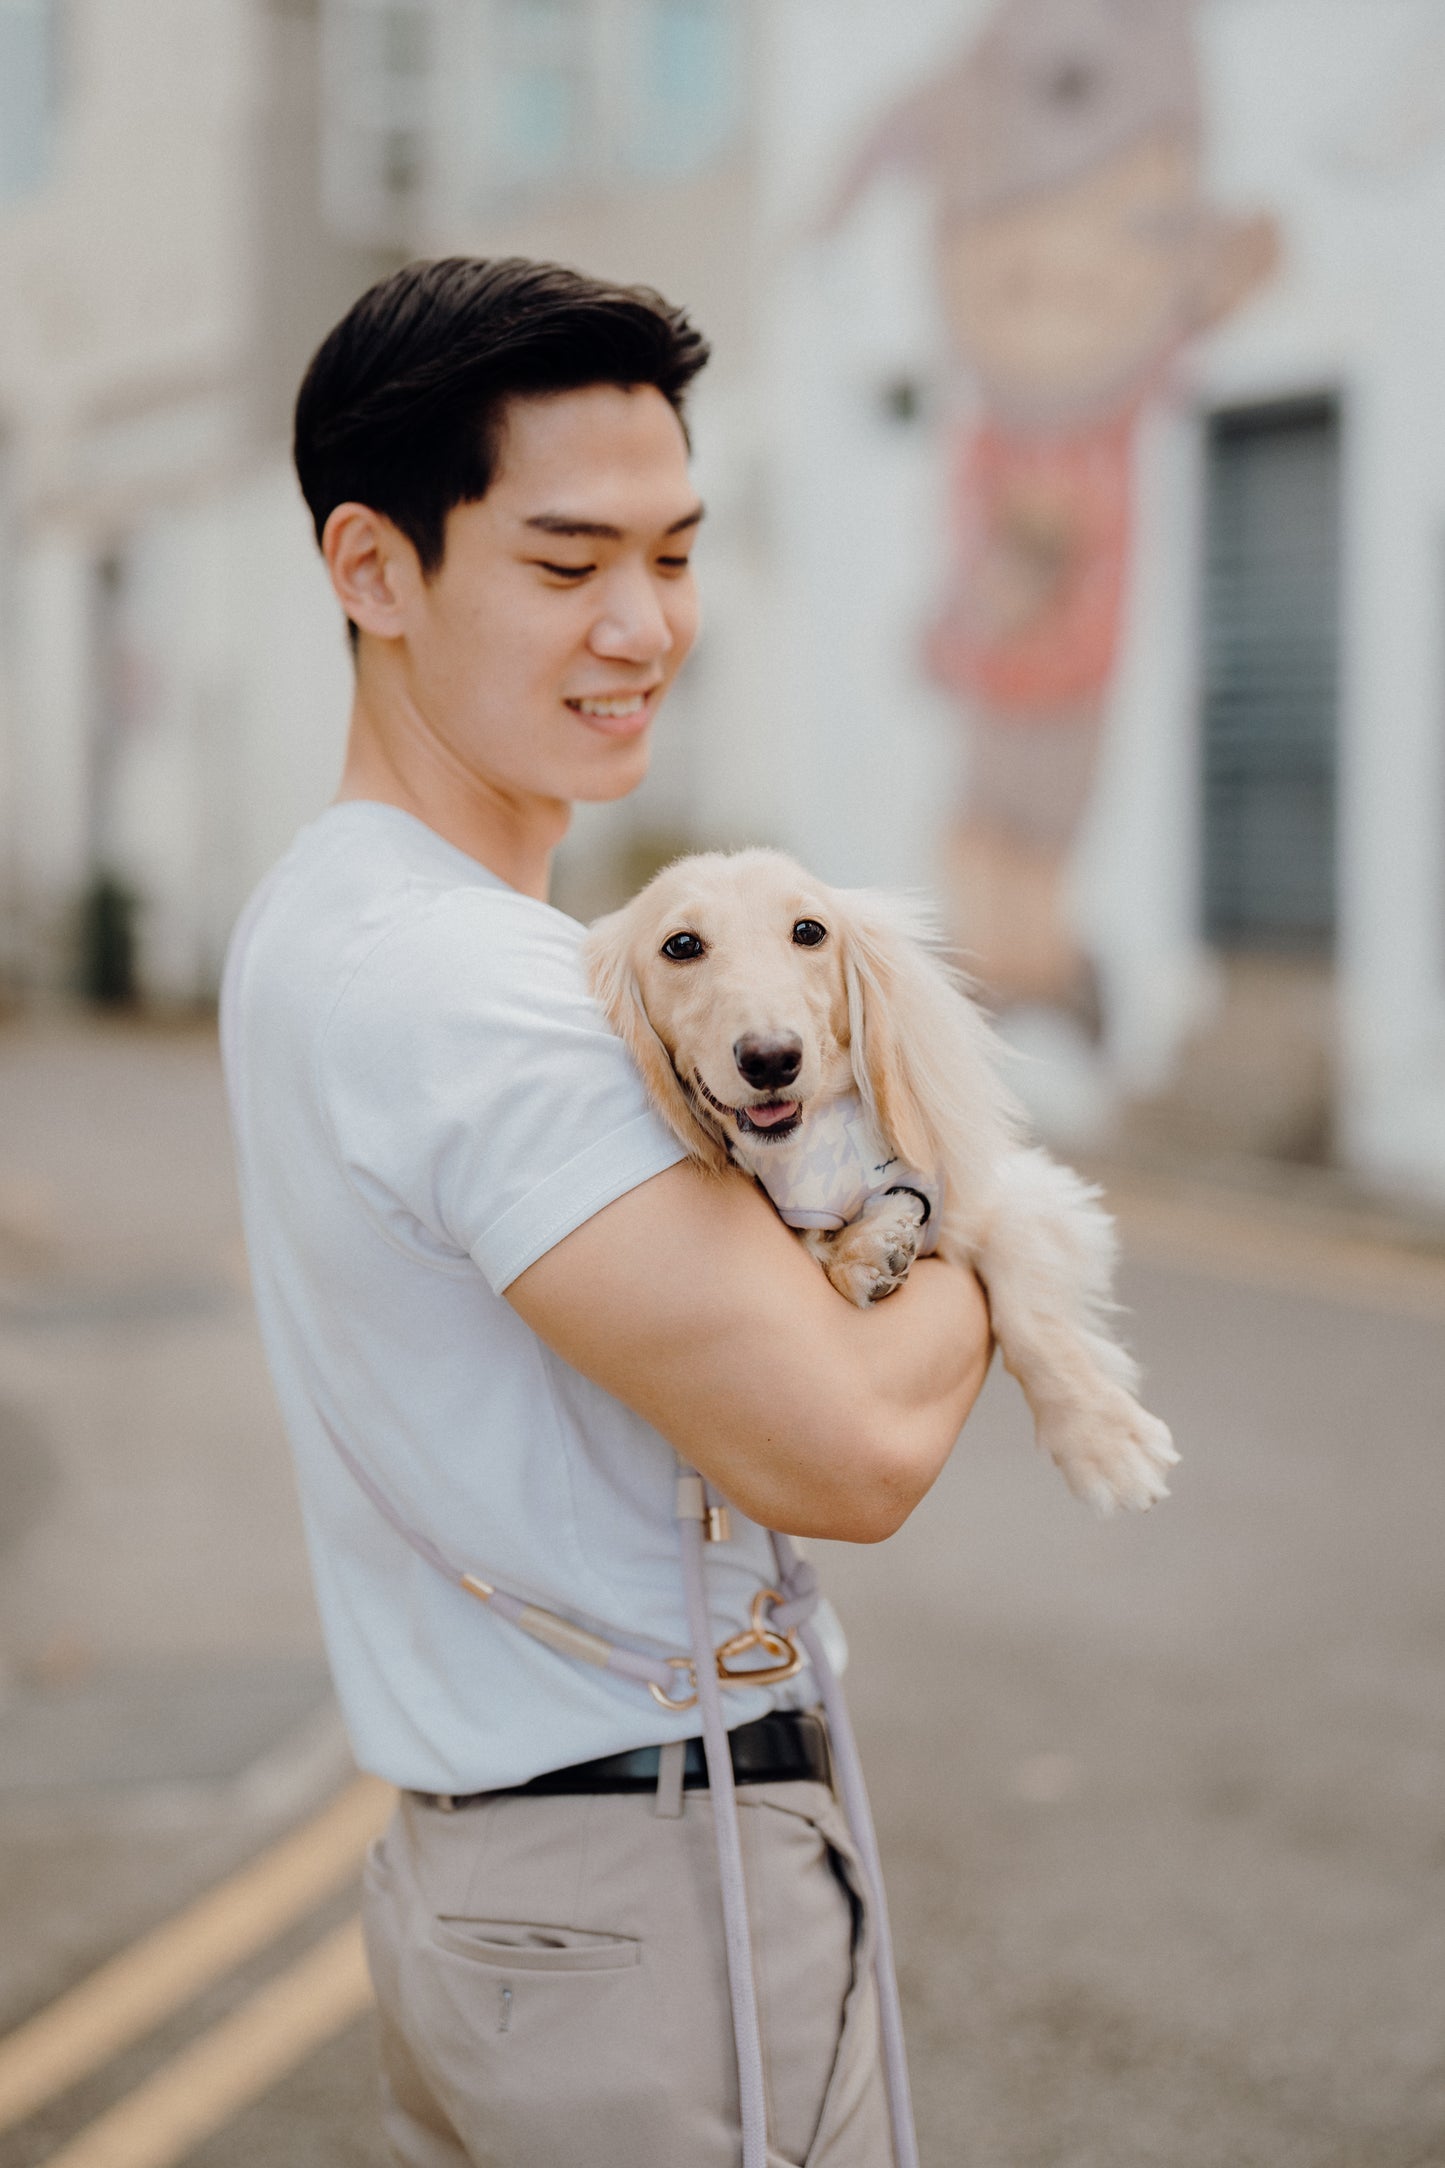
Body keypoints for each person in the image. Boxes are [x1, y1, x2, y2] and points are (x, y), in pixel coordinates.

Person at [221, 255, 993, 2168]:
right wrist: (979, 1214)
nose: (644, 627)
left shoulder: (317, 918)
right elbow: (855, 1440)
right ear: (372, 572)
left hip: (508, 1898)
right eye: (566, 568)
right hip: (649, 1905)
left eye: (676, 552)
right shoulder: (484, 990)